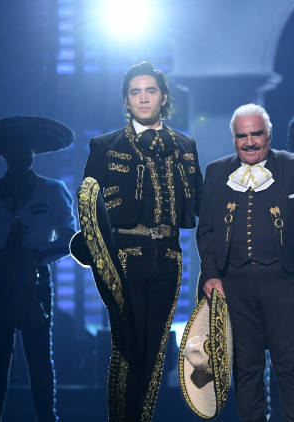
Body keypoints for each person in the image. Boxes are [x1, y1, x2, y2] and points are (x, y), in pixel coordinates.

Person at [78, 61, 202, 422]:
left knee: (154, 351)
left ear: (164, 97)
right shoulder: (104, 147)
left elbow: (199, 204)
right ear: (126, 100)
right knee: (128, 349)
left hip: (167, 257)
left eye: (150, 91)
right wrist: (103, 265)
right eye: (135, 92)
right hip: (124, 260)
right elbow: (88, 212)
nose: (143, 98)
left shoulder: (186, 146)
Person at [197, 103, 294, 422]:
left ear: (269, 135)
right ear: (233, 137)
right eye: (241, 135)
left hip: (284, 284)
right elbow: (205, 231)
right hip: (234, 286)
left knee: (289, 369)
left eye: (256, 134)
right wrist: (210, 274)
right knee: (246, 371)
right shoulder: (216, 173)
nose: (249, 142)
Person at [0, 116, 76, 422]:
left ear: (33, 154)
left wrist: (37, 258)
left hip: (35, 280)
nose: (21, 156)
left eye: (26, 150)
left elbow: (70, 239)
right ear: (5, 155)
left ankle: (47, 418)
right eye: (15, 150)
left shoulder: (53, 189)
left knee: (39, 358)